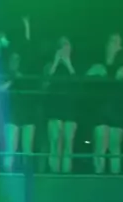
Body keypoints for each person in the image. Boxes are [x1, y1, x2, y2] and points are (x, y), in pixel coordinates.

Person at [87, 33, 123, 175]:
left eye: (117, 42)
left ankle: (115, 178)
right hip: (101, 108)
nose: (114, 45)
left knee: (115, 147)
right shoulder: (98, 64)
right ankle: (98, 176)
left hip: (117, 109)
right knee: (100, 146)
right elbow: (86, 80)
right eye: (112, 41)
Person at [45, 37, 78, 174]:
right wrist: (55, 62)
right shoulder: (50, 65)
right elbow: (45, 84)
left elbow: (79, 87)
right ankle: (54, 173)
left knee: (68, 144)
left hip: (70, 109)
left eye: (67, 45)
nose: (64, 49)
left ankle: (66, 174)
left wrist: (68, 64)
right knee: (55, 143)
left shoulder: (75, 65)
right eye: (62, 46)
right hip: (54, 108)